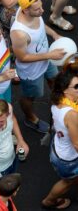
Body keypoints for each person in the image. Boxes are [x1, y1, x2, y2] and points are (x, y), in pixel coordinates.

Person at [10, 0, 66, 133]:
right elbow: (22, 57)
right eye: (37, 9)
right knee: (30, 96)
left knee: (55, 81)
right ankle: (30, 118)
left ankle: (58, 105)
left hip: (47, 58)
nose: (42, 10)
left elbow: (41, 24)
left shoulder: (35, 14)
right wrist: (49, 55)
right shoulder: (19, 33)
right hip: (32, 71)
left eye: (41, 6)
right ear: (25, 10)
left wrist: (54, 34)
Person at [41, 69, 78, 209]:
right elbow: (77, 144)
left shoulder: (57, 102)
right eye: (76, 87)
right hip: (69, 159)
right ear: (64, 90)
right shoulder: (71, 114)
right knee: (67, 182)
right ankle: (49, 201)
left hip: (58, 148)